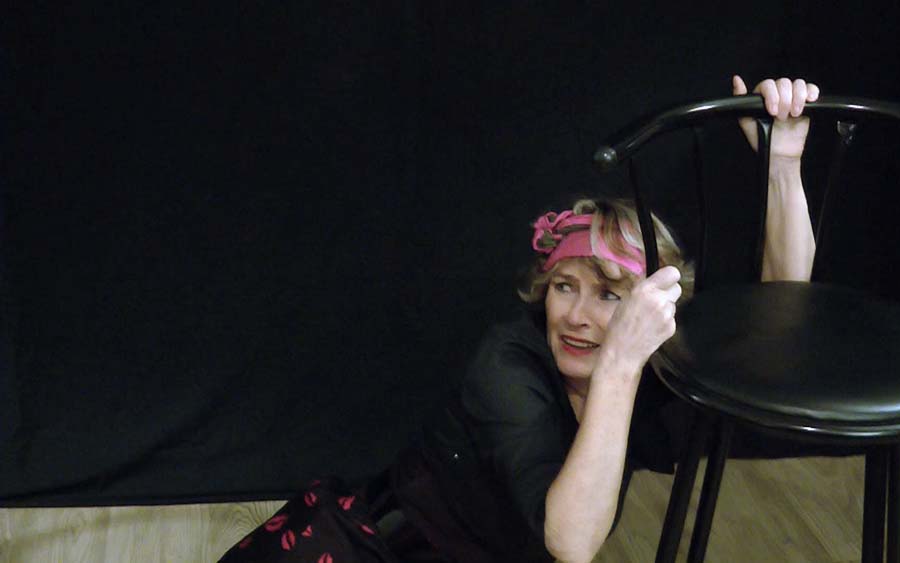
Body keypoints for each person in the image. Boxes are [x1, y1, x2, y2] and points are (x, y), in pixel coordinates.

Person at [218, 75, 820, 563]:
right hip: (373, 550)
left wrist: (783, 168)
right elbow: (572, 543)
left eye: (609, 296)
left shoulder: (647, 357)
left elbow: (780, 329)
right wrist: (617, 367)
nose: (577, 317)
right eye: (564, 287)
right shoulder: (507, 365)